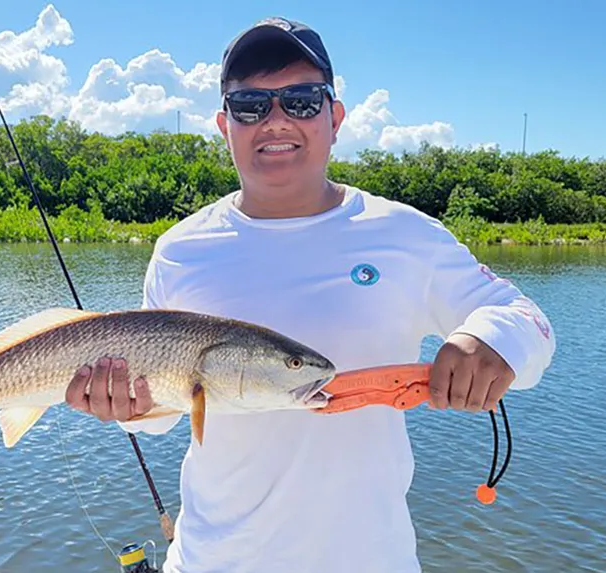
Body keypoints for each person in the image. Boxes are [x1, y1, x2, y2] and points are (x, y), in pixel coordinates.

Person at [65, 16, 556, 572]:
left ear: (335, 117)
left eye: (301, 100)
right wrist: (125, 407)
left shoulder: (404, 234)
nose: (275, 120)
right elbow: (162, 411)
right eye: (251, 105)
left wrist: (488, 340)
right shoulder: (181, 249)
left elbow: (524, 317)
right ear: (226, 125)